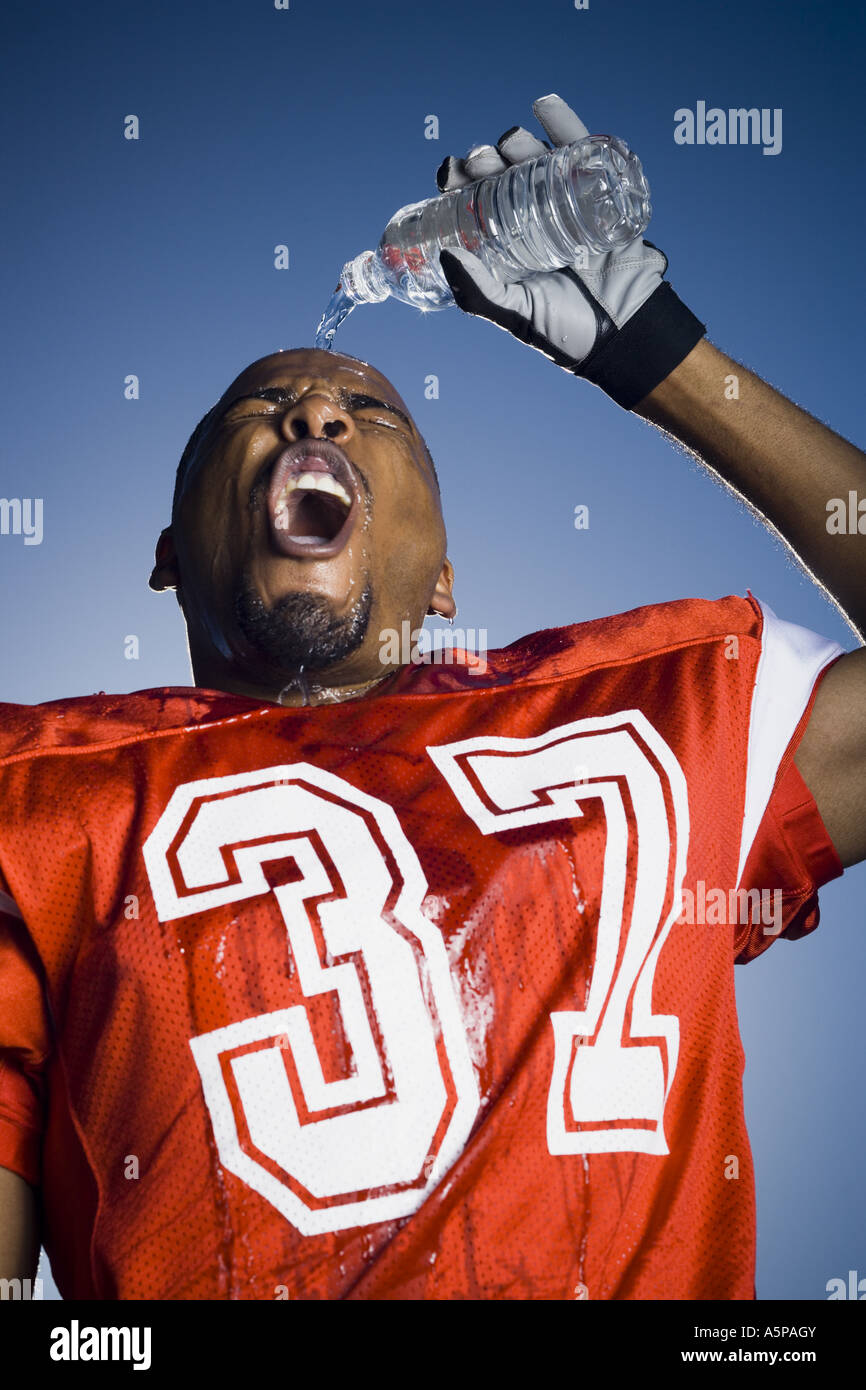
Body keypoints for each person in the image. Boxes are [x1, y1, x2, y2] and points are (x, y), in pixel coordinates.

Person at [0, 95, 863, 1301]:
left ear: (446, 569)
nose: (313, 413)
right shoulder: (32, 799)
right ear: (167, 551)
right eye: (258, 411)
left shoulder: (665, 709)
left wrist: (665, 359)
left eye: (371, 412)